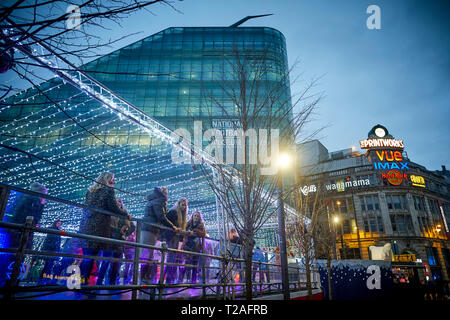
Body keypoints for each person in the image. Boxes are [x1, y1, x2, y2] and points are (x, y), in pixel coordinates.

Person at [78, 172, 130, 285]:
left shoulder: (90, 191)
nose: (114, 182)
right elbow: (114, 207)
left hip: (86, 225)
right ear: (107, 179)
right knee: (93, 255)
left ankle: (82, 283)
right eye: (112, 179)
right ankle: (85, 286)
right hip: (99, 226)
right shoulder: (108, 190)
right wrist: (125, 214)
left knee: (88, 256)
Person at [140, 186, 179, 284]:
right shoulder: (159, 200)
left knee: (146, 253)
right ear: (164, 194)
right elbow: (161, 216)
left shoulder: (153, 199)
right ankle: (144, 278)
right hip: (151, 229)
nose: (167, 195)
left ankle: (144, 277)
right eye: (166, 193)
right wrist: (172, 226)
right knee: (147, 254)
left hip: (148, 228)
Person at [9, 182, 48, 249]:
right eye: (44, 194)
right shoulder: (34, 201)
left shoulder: (26, 197)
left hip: (18, 227)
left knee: (15, 248)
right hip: (22, 229)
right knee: (20, 248)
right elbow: (32, 214)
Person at [162, 198, 188, 284]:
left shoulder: (182, 215)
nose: (184, 206)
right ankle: (164, 280)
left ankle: (168, 280)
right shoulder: (173, 212)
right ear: (179, 204)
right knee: (170, 259)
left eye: (185, 205)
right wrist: (175, 229)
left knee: (172, 260)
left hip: (175, 239)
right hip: (170, 238)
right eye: (182, 204)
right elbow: (166, 223)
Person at [179, 210, 206, 283]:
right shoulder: (188, 224)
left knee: (194, 264)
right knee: (185, 263)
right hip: (187, 245)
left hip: (196, 247)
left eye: (197, 216)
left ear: (199, 218)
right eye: (195, 215)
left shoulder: (201, 225)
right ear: (192, 216)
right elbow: (184, 231)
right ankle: (180, 280)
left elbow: (203, 234)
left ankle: (193, 281)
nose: (196, 217)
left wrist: (194, 231)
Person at [40, 219, 62, 284]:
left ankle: (43, 279)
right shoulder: (53, 230)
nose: (59, 225)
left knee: (48, 265)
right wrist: (55, 250)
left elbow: (57, 242)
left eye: (60, 224)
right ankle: (44, 280)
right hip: (51, 251)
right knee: (48, 265)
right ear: (55, 223)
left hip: (52, 251)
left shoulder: (57, 231)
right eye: (58, 223)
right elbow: (52, 241)